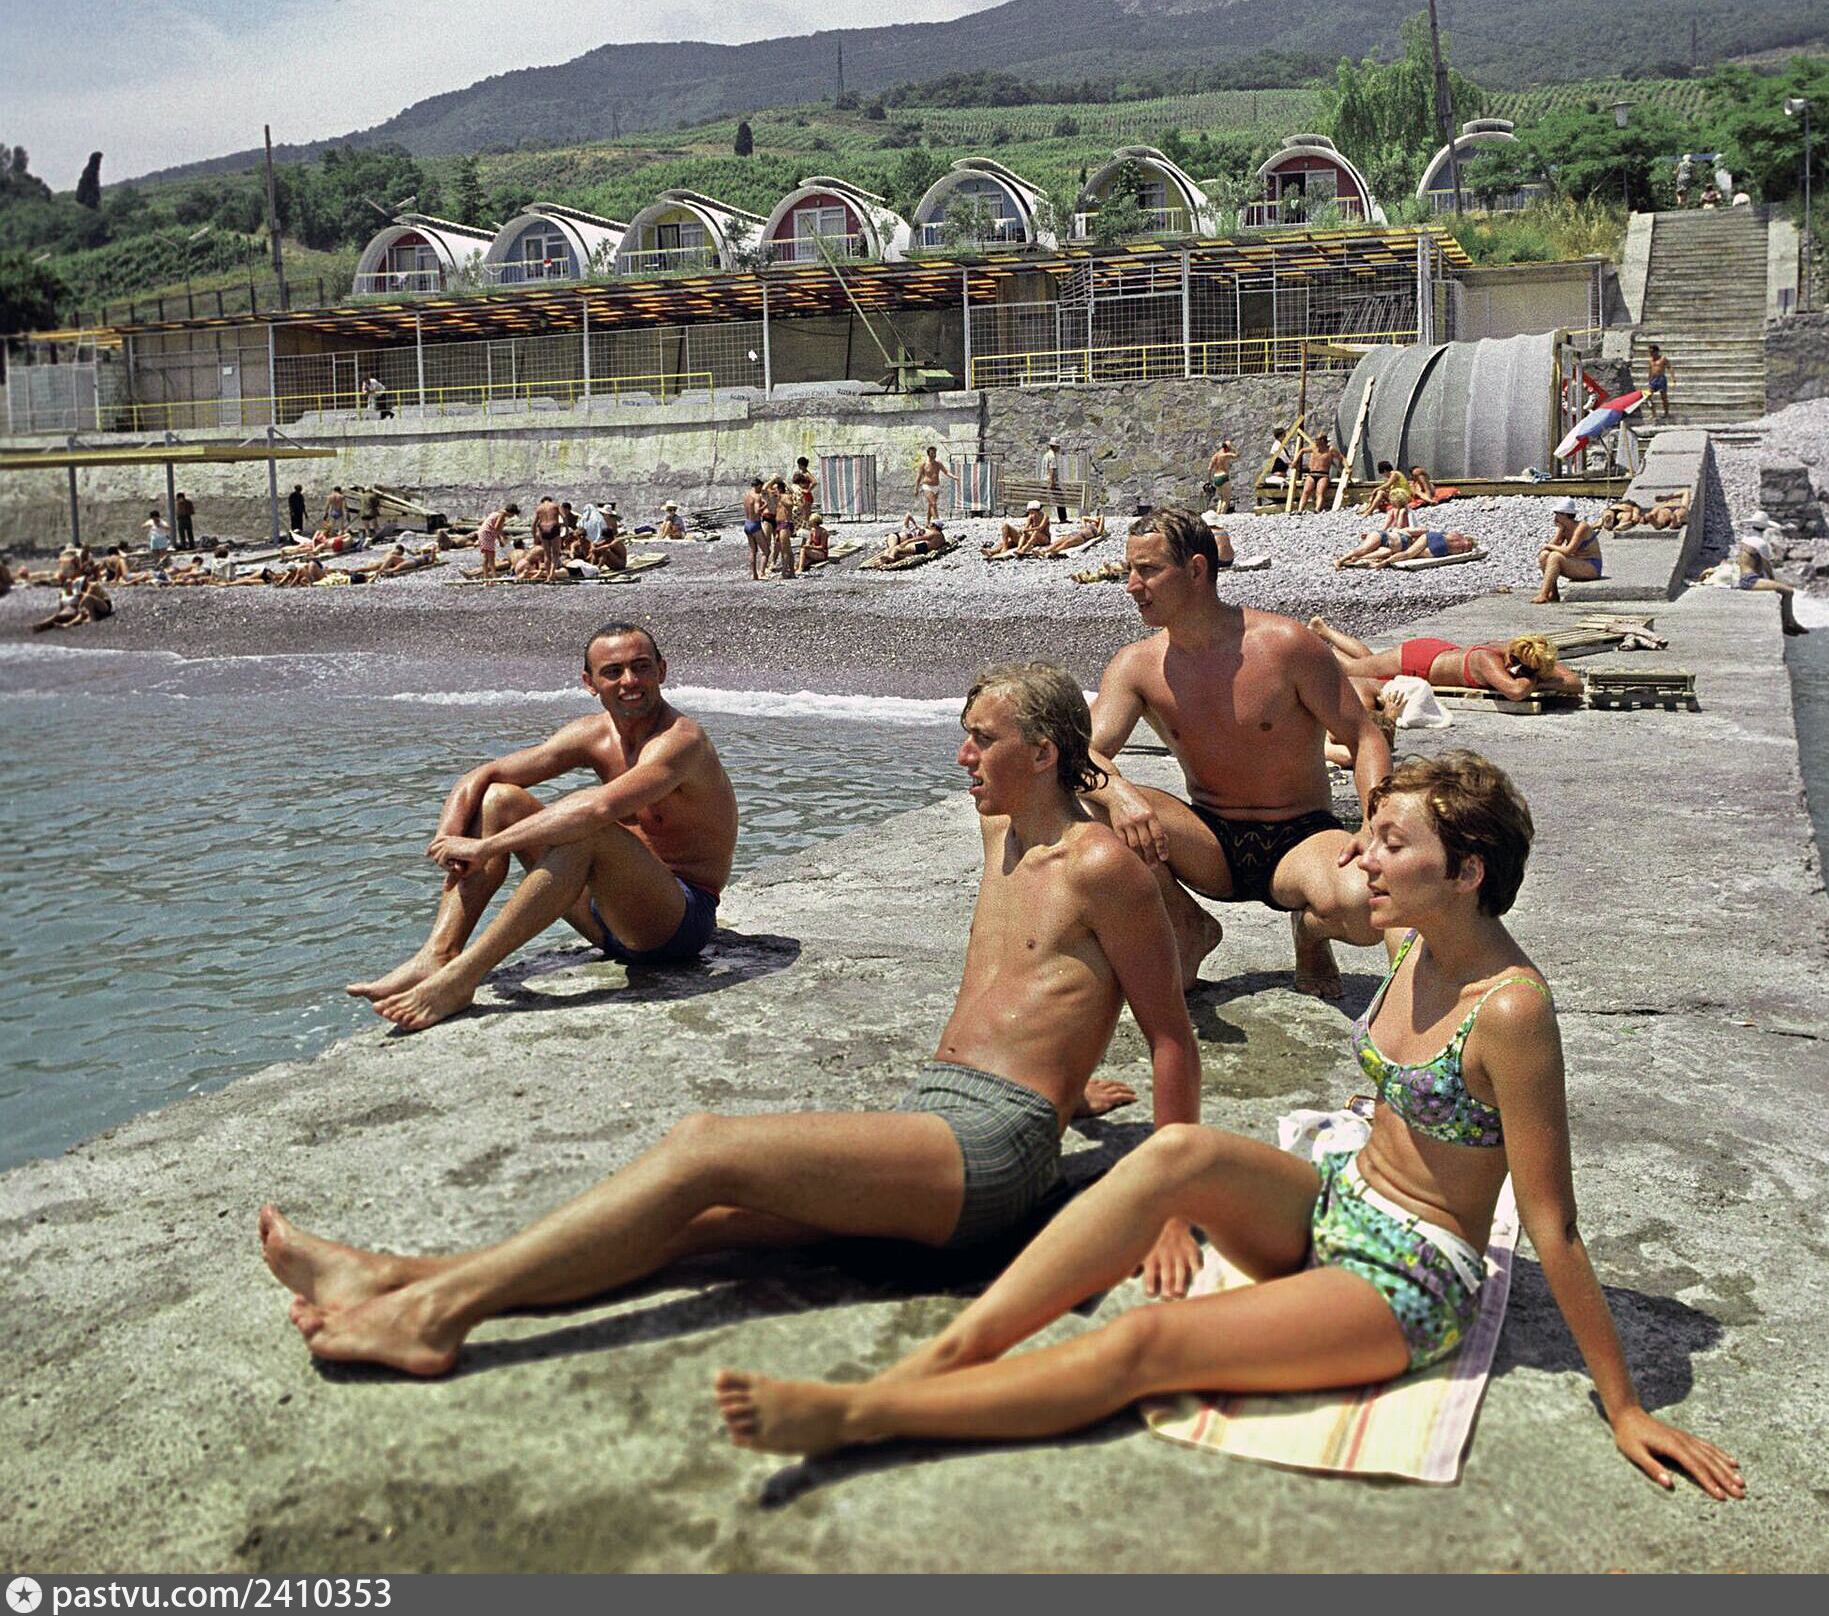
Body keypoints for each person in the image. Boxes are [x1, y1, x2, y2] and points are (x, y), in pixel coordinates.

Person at [713, 752, 1747, 1504]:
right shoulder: (1411, 941)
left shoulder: (1511, 1010)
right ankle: (947, 1356)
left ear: (1469, 870)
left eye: (1393, 844)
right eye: (1369, 834)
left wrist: (1624, 1404)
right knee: (1177, 1150)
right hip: (1338, 1199)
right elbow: (1302, 900)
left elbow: (1553, 1224)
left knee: (1149, 1341)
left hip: (1409, 1273)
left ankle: (867, 1414)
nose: (1362, 856)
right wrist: (1127, 800)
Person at [264, 661, 1204, 1375]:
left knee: (704, 1148)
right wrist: (1066, 1081)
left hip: (993, 1155)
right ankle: (397, 1277)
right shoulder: (1003, 828)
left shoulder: (1102, 869)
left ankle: (433, 1320)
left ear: (1040, 754)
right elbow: (1038, 988)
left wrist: (1163, 1205)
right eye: (964, 735)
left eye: (981, 740)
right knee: (697, 1220)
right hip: (943, 1114)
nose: (962, 757)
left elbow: (1170, 1036)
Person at [343, 626, 737, 1032]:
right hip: (605, 919)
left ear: (662, 670)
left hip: (676, 923)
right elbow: (484, 775)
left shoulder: (681, 741)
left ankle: (462, 978)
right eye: (613, 672)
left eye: (641, 667)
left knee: (590, 829)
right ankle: (440, 952)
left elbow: (598, 808)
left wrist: (485, 848)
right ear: (590, 683)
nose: (629, 681)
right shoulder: (593, 734)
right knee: (499, 799)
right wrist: (448, 837)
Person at [1084, 509, 1389, 999]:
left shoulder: (1286, 645)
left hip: (1300, 837)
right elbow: (1082, 754)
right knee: (1087, 801)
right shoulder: (1137, 665)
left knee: (1369, 906)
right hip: (1207, 841)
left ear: (1196, 570)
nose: (1131, 586)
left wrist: (1375, 827)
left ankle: (1311, 931)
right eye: (1129, 571)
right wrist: (1118, 795)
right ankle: (1188, 926)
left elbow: (1364, 738)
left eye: (1148, 571)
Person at [1310, 617, 1586, 703]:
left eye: (1524, 667)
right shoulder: (1487, 659)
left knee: (1369, 662)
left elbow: (1576, 683)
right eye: (1516, 662)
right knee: (1353, 669)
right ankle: (1314, 643)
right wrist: (1538, 679)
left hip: (1439, 654)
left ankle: (1324, 631)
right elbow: (1516, 691)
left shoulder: (1523, 654)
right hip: (1420, 661)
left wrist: (1537, 675)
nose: (1514, 668)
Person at [1535, 497, 1603, 604]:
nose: (1555, 517)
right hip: (1577, 563)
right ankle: (1553, 593)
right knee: (1544, 555)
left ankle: (1543, 594)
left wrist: (1548, 546)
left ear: (1565, 515)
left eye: (1557, 514)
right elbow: (1554, 545)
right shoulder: (1564, 527)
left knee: (1555, 556)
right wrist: (1560, 531)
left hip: (1591, 566)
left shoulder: (1582, 527)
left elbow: (1568, 550)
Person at [32, 572, 113, 632]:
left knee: (87, 598)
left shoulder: (92, 586)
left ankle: (92, 618)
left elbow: (85, 597)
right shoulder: (68, 593)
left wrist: (80, 606)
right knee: (80, 614)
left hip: (104, 605)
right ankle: (66, 625)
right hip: (94, 607)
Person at [983, 503, 1050, 560]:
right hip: (1031, 537)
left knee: (1035, 532)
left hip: (1043, 539)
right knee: (1006, 529)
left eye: (1031, 511)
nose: (1029, 513)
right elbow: (1026, 527)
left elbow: (1040, 528)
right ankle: (993, 551)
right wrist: (1022, 530)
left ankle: (1024, 548)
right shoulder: (1031, 517)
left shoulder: (1045, 516)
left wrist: (1027, 530)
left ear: (1036, 510)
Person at [1301, 433, 1344, 512]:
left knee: (1319, 492)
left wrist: (1347, 468)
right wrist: (1295, 461)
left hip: (1323, 475)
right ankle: (1300, 509)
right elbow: (1302, 451)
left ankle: (1317, 509)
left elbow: (1341, 458)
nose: (1315, 441)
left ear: (1322, 440)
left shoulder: (1330, 450)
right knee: (1306, 491)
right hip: (1312, 474)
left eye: (1317, 440)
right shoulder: (1314, 448)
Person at [474, 502, 519, 579]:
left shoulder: (498, 513)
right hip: (487, 534)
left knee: (486, 556)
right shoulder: (502, 515)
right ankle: (494, 577)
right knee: (491, 556)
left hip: (485, 533)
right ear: (511, 512)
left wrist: (500, 539)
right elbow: (497, 527)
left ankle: (486, 577)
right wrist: (503, 537)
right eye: (513, 514)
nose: (512, 517)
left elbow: (495, 528)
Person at [916, 445, 957, 523]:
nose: (934, 455)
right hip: (927, 486)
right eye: (932, 453)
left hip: (936, 486)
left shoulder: (938, 463)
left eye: (935, 453)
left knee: (930, 505)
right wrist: (916, 488)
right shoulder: (924, 464)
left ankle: (927, 522)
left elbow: (946, 472)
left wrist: (953, 477)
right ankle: (937, 521)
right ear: (928, 454)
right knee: (933, 503)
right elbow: (919, 477)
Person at [1038, 514, 1108, 558]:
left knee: (1066, 543)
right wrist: (1093, 519)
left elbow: (1102, 516)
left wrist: (1097, 519)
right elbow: (1083, 518)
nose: (1093, 522)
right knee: (1058, 541)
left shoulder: (1097, 530)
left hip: (1082, 537)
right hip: (1074, 533)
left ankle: (1054, 552)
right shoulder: (1086, 526)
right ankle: (1044, 551)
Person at [768, 479, 798, 578]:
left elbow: (790, 504)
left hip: (785, 524)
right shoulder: (777, 497)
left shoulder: (785, 496)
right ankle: (792, 572)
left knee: (785, 549)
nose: (773, 491)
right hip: (779, 524)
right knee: (786, 549)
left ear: (780, 489)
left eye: (775, 489)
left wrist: (784, 483)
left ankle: (785, 572)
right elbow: (765, 489)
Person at [531, 496, 566, 577]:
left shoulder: (539, 508)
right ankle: (552, 574)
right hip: (553, 527)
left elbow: (534, 524)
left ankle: (548, 575)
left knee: (547, 554)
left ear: (542, 501)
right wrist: (566, 528)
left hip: (543, 529)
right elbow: (564, 517)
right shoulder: (555, 505)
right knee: (555, 553)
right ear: (550, 500)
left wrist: (534, 535)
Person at [742, 478, 770, 581]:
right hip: (755, 525)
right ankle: (762, 573)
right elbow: (757, 511)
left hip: (747, 524)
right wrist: (765, 505)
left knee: (753, 551)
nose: (761, 489)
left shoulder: (746, 496)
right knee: (766, 551)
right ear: (758, 485)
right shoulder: (757, 496)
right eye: (761, 487)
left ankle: (754, 575)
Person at [1203, 439, 1238, 514]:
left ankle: (1218, 513)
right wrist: (1233, 448)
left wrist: (1209, 481)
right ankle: (1222, 514)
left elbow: (1209, 468)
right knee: (1226, 498)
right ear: (1226, 448)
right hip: (1223, 476)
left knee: (1221, 497)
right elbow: (1237, 455)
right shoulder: (1225, 455)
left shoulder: (1215, 456)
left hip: (1216, 477)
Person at [1644, 344, 1674, 421]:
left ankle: (1666, 413)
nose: (1650, 353)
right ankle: (1653, 413)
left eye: (1652, 352)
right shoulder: (1650, 360)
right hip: (1653, 380)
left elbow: (1670, 367)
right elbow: (1650, 370)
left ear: (1656, 351)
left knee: (1663, 397)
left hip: (1661, 379)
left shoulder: (1663, 359)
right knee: (1648, 397)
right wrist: (1649, 379)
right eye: (1649, 352)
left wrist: (1672, 378)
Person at [1042, 440, 1068, 523]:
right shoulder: (1052, 456)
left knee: (1043, 499)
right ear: (1055, 446)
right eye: (1058, 446)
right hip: (1051, 481)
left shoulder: (1046, 455)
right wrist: (1052, 482)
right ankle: (1063, 518)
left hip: (1044, 481)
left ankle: (1032, 513)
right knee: (1060, 499)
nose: (1059, 448)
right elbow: (1052, 469)